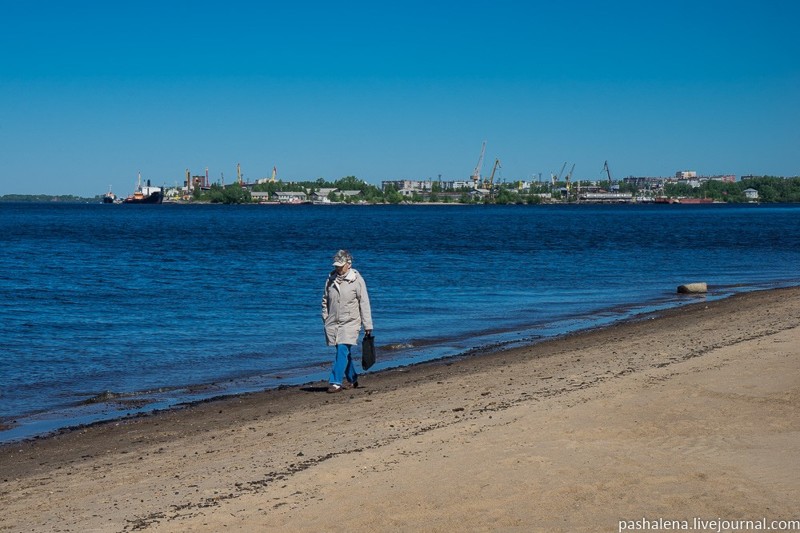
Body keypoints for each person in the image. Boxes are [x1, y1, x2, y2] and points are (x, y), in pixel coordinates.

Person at [321, 249, 373, 393]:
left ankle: (335, 381)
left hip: (351, 322)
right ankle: (352, 378)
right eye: (336, 265)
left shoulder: (357, 280)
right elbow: (325, 300)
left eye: (340, 265)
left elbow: (364, 302)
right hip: (333, 322)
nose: (338, 268)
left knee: (342, 350)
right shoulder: (330, 279)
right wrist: (325, 317)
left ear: (348, 264)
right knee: (343, 353)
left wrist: (368, 325)